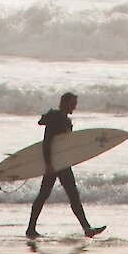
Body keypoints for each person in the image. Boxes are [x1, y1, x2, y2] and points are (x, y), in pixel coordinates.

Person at [26, 92, 105, 239]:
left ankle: (31, 229)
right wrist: (48, 163)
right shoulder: (56, 118)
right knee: (66, 195)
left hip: (62, 162)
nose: (75, 106)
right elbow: (47, 141)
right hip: (56, 163)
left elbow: (66, 145)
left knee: (52, 194)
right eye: (73, 103)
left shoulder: (65, 120)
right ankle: (86, 228)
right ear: (66, 103)